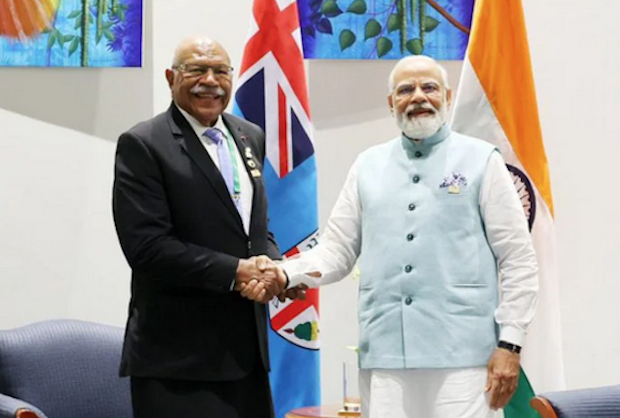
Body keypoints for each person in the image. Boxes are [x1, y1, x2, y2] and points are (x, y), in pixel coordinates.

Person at [243, 55, 539, 418]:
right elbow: (335, 249)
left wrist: (511, 342)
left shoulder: (481, 160)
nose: (418, 97)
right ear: (391, 103)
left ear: (446, 96)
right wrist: (286, 273)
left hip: (463, 357)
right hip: (384, 357)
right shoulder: (368, 165)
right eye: (405, 90)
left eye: (429, 87)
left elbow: (518, 258)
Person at [112, 36, 289, 418]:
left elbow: (254, 228)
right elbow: (147, 248)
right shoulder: (143, 144)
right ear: (170, 77)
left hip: (248, 355)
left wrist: (275, 269)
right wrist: (238, 271)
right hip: (178, 362)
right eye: (196, 70)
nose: (210, 80)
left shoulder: (249, 135)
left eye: (220, 71)